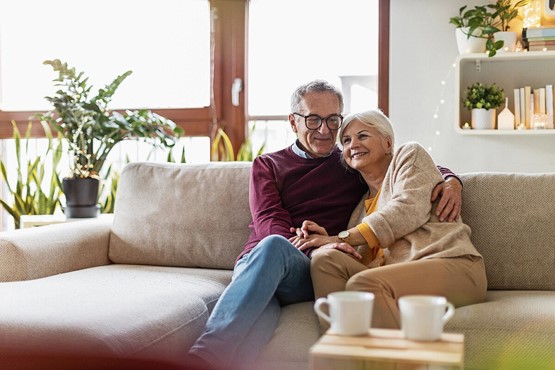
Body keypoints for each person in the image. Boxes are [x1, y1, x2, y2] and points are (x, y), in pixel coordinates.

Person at [187, 81, 462, 370]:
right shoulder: (267, 165)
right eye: (313, 119)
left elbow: (403, 166)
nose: (324, 129)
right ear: (293, 122)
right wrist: (309, 244)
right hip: (263, 261)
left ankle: (198, 359)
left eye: (333, 120)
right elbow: (269, 221)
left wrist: (451, 180)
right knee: (257, 313)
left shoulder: (348, 161)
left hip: (312, 269)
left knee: (278, 256)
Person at [292, 109, 487, 330]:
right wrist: (332, 244)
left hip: (454, 265)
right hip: (398, 277)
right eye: (346, 140)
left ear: (387, 143)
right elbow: (366, 259)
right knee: (325, 260)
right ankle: (342, 348)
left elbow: (406, 210)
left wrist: (343, 237)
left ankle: (393, 361)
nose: (353, 144)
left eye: (363, 136)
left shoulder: (409, 156)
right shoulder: (359, 212)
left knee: (365, 284)